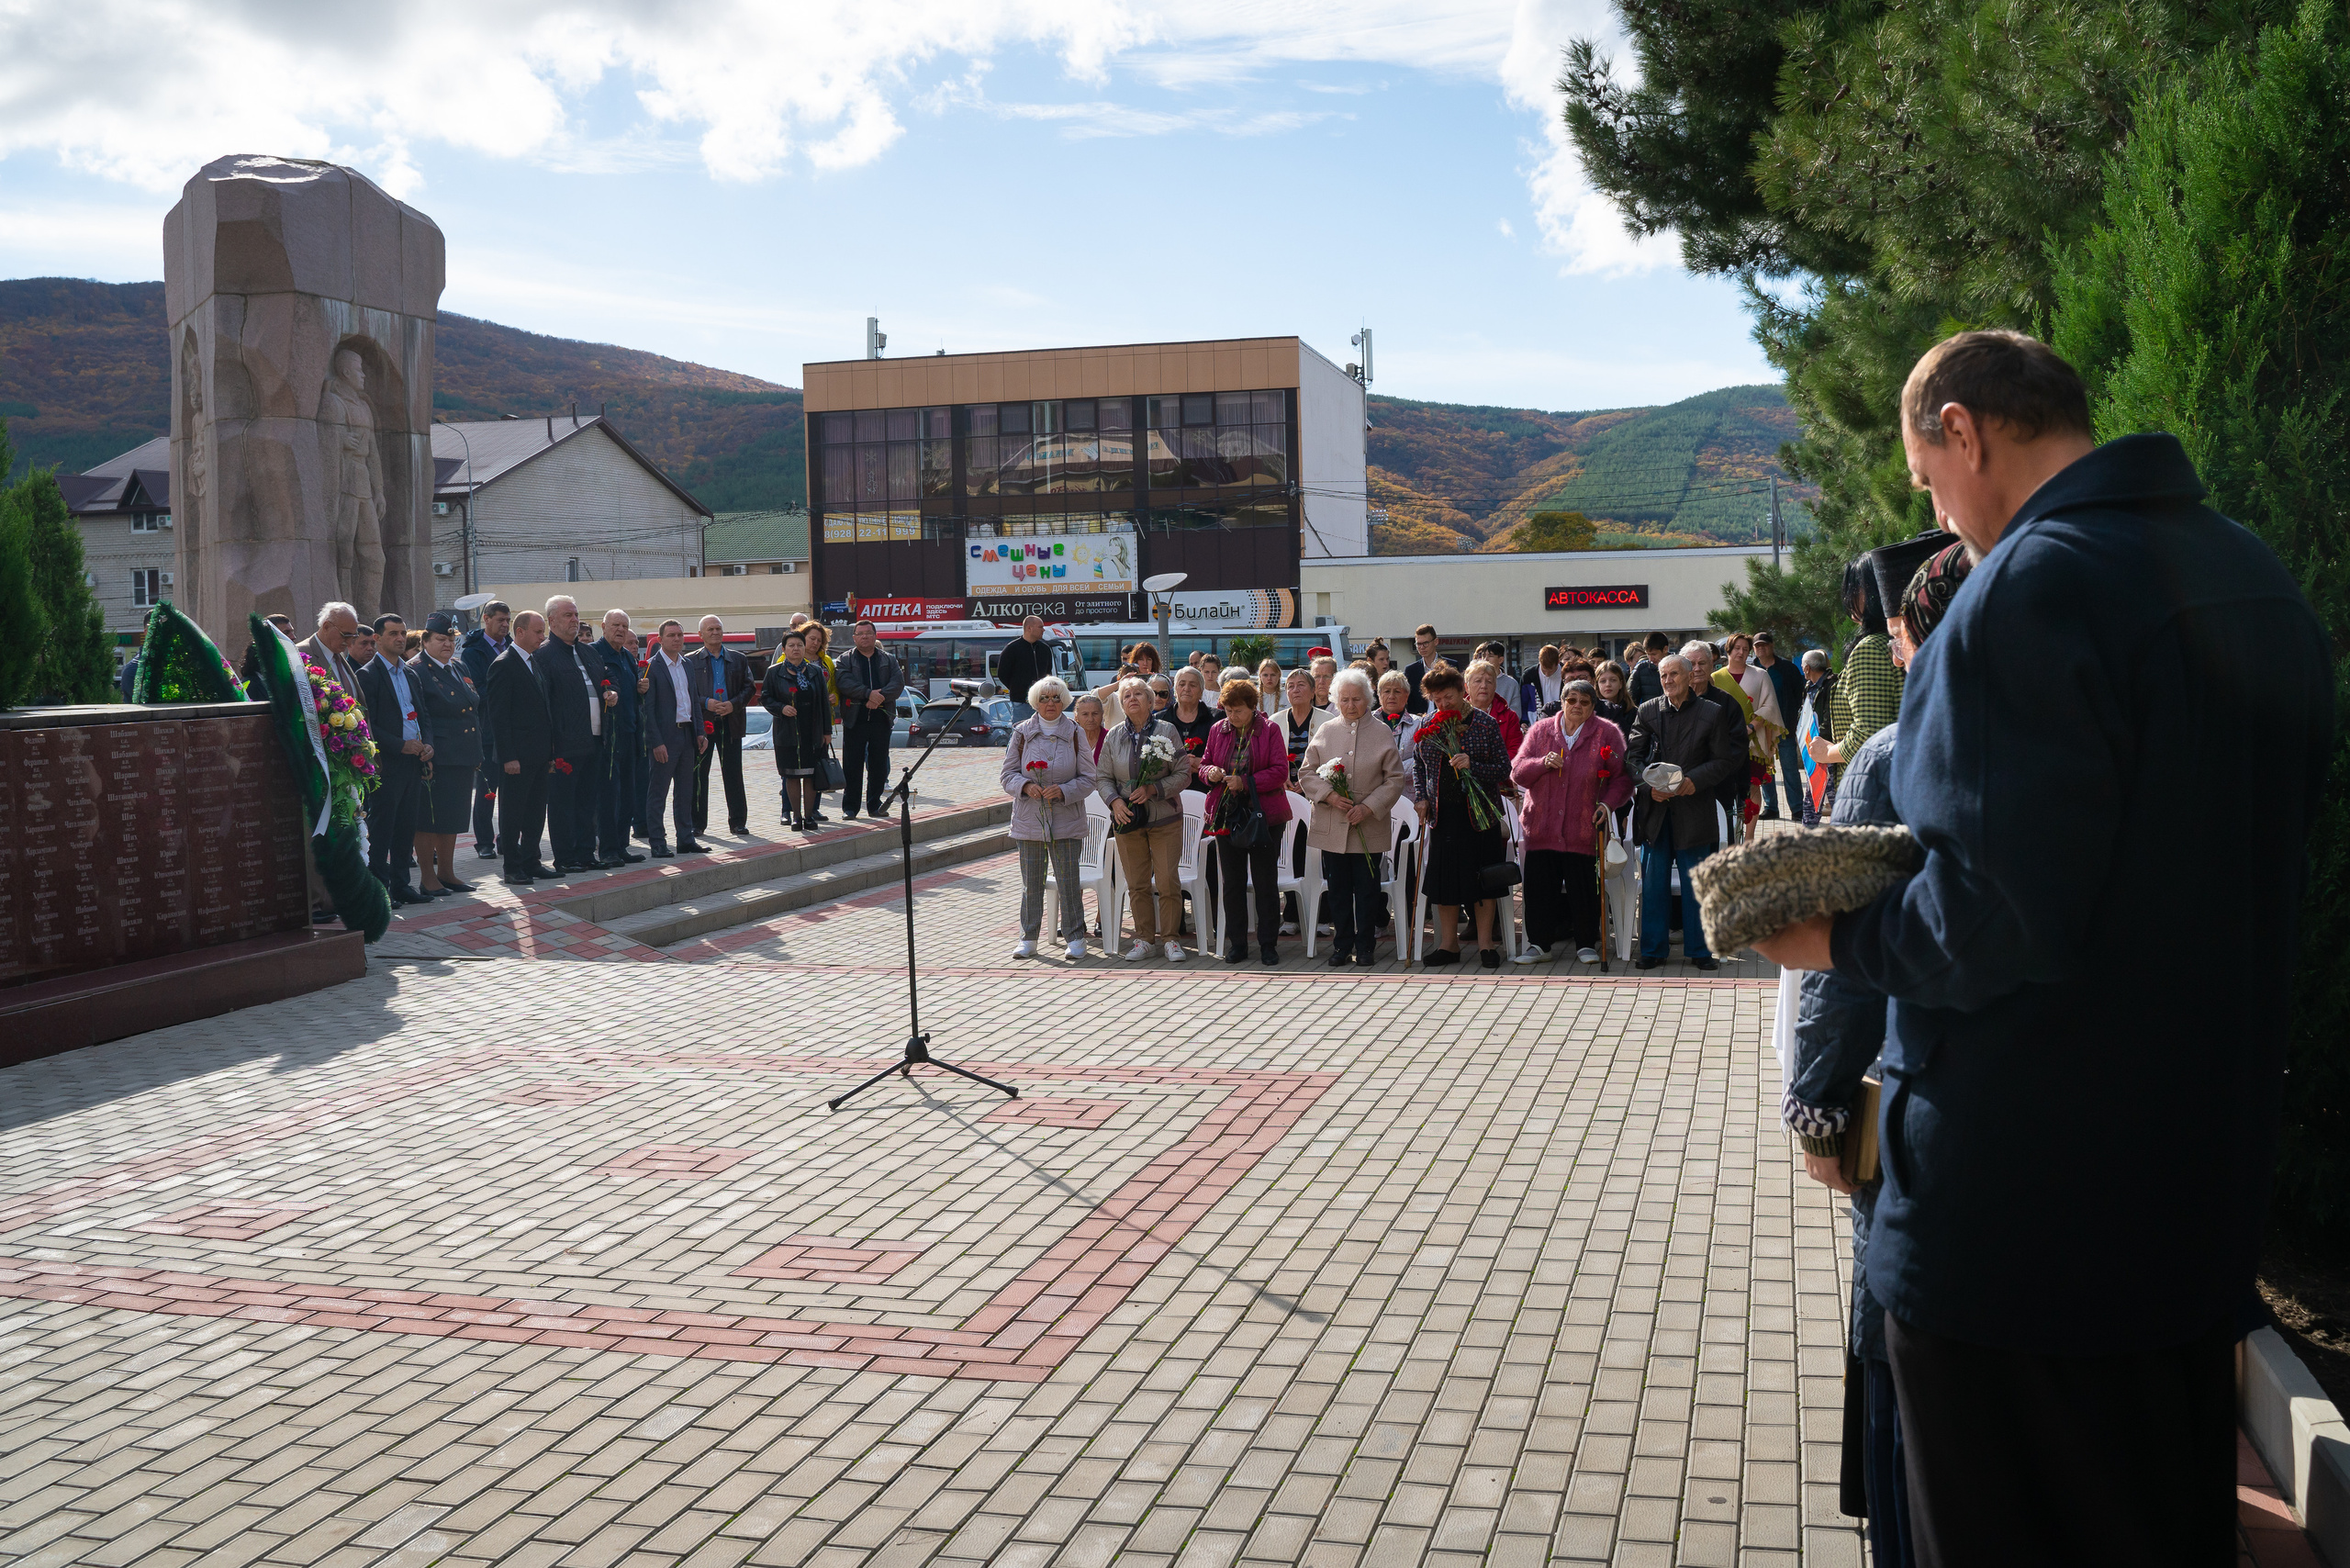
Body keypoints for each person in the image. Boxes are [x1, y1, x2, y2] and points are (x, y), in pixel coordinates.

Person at [1753, 330, 2333, 1565]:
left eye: (1925, 477)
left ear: (1963, 429)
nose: (1937, 510)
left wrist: (1828, 931)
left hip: (2016, 1227)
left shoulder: (2029, 588)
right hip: (2187, 1198)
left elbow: (1994, 918)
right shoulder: (2248, 573)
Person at [1782, 538, 1968, 1568]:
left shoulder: (1894, 755)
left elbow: (1840, 955)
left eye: (1898, 635)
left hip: (1929, 1116)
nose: (1892, 656)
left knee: (1895, 1362)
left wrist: (1812, 1105)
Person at [1624, 653, 1742, 970]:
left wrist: (1694, 781)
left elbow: (1723, 761)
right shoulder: (1647, 711)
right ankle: (1652, 950)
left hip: (1695, 806)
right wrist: (1650, 787)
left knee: (1697, 882)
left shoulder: (1712, 712)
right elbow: (1632, 759)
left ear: (1690, 677)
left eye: (1674, 674)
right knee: (1653, 882)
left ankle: (1701, 951)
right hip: (1657, 810)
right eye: (1663, 676)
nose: (1668, 681)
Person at [1509, 679, 1632, 965]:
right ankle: (1539, 945)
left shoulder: (1607, 733)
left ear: (1592, 707)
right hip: (1542, 825)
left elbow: (1622, 778)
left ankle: (1586, 943)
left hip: (1583, 825)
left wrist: (1607, 804)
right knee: (1540, 887)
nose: (1577, 706)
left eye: (1584, 702)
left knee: (1583, 887)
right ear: (1563, 701)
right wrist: (1541, 763)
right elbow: (1518, 772)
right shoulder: (1541, 731)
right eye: (1572, 700)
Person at [1297, 668, 1408, 967]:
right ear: (1336, 700)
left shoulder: (1382, 731)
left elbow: (1395, 779)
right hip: (1333, 825)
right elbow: (1306, 772)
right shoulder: (1327, 729)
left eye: (1356, 699)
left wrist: (1369, 806)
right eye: (1344, 699)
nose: (1350, 705)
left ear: (1368, 699)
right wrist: (1330, 796)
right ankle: (1341, 946)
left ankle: (1367, 946)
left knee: (1368, 891)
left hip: (1368, 826)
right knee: (1339, 892)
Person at [1410, 666, 1511, 968]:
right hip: (1443, 816)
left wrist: (1473, 765)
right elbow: (1418, 766)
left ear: (1461, 690)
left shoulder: (1485, 724)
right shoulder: (1428, 723)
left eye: (1449, 697)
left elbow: (1503, 770)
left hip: (1479, 816)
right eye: (1437, 699)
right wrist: (1421, 798)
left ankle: (1485, 945)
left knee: (1484, 881)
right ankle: (1448, 945)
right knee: (1445, 884)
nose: (1443, 705)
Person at [1098, 677, 1195, 961]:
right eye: (1126, 695)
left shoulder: (1166, 731)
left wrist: (1154, 789)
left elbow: (1183, 773)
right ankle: (1143, 939)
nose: (1132, 699)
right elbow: (1102, 777)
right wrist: (1115, 802)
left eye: (1139, 694)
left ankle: (1171, 940)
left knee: (1166, 881)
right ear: (1121, 703)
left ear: (1151, 701)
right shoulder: (1113, 735)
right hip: (1127, 819)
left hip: (1164, 819)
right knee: (1137, 882)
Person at [1002, 677, 1096, 959]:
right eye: (1044, 698)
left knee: (1068, 881)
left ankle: (1075, 937)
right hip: (1029, 818)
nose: (1051, 704)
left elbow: (1089, 778)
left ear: (1064, 701)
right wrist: (1026, 786)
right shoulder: (1021, 733)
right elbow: (1007, 776)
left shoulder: (1076, 733)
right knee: (1032, 883)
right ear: (1035, 702)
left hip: (1066, 818)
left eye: (1056, 698)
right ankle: (1028, 937)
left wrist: (1065, 790)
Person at [1199, 678, 1292, 966]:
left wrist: (1246, 781)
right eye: (1228, 710)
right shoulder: (1218, 729)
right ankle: (1237, 944)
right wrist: (1211, 772)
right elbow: (1203, 765)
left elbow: (1279, 771)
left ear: (1253, 707)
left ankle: (1268, 944)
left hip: (1264, 815)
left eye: (1238, 710)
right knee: (1232, 882)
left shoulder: (1270, 730)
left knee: (1266, 882)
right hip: (1227, 814)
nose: (1232, 716)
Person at [356, 612, 434, 905]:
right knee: (382, 828)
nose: (401, 639)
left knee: (406, 826)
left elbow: (423, 715)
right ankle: (379, 888)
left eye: (403, 633)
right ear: (377, 639)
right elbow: (369, 724)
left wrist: (428, 744)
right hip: (387, 763)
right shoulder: (368, 675)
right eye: (393, 634)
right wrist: (400, 745)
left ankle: (402, 885)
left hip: (414, 762)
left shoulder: (411, 672)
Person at [407, 612, 480, 899]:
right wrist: (427, 749)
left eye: (451, 639)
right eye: (441, 639)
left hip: (461, 754)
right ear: (425, 640)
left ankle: (447, 872)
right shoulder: (417, 669)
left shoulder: (457, 666)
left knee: (454, 817)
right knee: (429, 819)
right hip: (436, 757)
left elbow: (473, 708)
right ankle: (428, 877)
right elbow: (419, 715)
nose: (448, 644)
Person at [1810, 558, 1903, 780]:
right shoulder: (1897, 641)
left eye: (1853, 588)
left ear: (1869, 591)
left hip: (1872, 786)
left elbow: (1868, 735)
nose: (1847, 597)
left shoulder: (1870, 648)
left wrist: (1827, 753)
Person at [483, 610, 555, 885]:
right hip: (517, 757)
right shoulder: (504, 664)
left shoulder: (533, 662)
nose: (543, 636)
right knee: (513, 813)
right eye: (538, 632)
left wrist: (549, 751)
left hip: (538, 754)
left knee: (536, 811)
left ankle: (531, 861)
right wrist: (508, 756)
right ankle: (512, 866)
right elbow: (498, 717)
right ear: (520, 632)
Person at [537, 597, 607, 872]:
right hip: (565, 743)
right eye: (568, 615)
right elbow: (543, 704)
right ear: (551, 621)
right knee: (563, 804)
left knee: (588, 801)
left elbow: (606, 677)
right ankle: (565, 857)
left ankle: (587, 853)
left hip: (595, 739)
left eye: (576, 614)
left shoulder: (589, 652)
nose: (574, 620)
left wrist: (611, 690)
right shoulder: (544, 655)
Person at [643, 619, 710, 857]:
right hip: (664, 739)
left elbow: (694, 701)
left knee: (685, 791)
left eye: (680, 635)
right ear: (660, 640)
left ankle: (685, 839)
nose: (677, 639)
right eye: (671, 635)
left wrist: (700, 732)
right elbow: (647, 710)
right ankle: (658, 842)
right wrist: (656, 742)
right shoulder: (652, 667)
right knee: (658, 793)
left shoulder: (687, 665)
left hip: (687, 735)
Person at [685, 615, 754, 836]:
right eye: (710, 629)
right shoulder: (689, 661)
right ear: (700, 635)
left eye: (718, 629)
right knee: (698, 774)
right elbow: (685, 692)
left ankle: (738, 822)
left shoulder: (739, 659)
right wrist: (706, 702)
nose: (715, 632)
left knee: (733, 774)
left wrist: (733, 705)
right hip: (703, 724)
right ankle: (697, 824)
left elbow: (749, 687)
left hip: (730, 722)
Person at [1715, 633, 1785, 839]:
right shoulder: (1715, 678)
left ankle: (1749, 836)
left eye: (1745, 649)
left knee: (1754, 786)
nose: (1741, 652)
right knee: (1726, 787)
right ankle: (1727, 833)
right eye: (1737, 648)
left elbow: (1769, 705)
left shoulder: (1760, 674)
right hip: (1725, 742)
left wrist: (1751, 727)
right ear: (1728, 650)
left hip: (1753, 742)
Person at [589, 610, 646, 867]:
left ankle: (622, 845)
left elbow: (630, 696)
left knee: (628, 796)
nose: (621, 630)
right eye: (616, 625)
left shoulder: (627, 657)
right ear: (603, 626)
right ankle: (608, 849)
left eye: (625, 625)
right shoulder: (593, 653)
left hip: (630, 733)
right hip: (607, 737)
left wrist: (640, 689)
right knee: (608, 796)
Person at [834, 620, 905, 820]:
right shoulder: (844, 660)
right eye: (860, 633)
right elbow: (844, 683)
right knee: (852, 764)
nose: (864, 636)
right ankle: (850, 808)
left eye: (868, 633)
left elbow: (898, 684)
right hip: (855, 718)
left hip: (881, 718)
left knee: (878, 764)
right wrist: (867, 694)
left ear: (875, 636)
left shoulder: (888, 659)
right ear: (854, 637)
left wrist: (878, 698)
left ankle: (875, 805)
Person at [761, 629, 831, 831]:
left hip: (812, 731)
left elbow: (824, 704)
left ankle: (809, 817)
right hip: (787, 732)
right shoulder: (774, 672)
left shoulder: (815, 672)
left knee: (810, 774)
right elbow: (765, 698)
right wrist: (781, 708)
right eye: (791, 645)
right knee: (791, 775)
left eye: (800, 645)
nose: (796, 649)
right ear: (784, 649)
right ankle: (796, 817)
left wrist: (826, 731)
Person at [459, 600, 511, 859]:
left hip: (512, 730)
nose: (504, 625)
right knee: (487, 790)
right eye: (500, 620)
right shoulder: (473, 652)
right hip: (488, 730)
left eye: (508, 620)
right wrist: (509, 688)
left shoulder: (512, 646)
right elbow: (477, 688)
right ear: (487, 619)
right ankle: (484, 842)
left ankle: (507, 838)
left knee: (510, 791)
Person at [1751, 631, 1806, 820]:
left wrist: (1795, 716)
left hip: (1785, 727)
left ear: (1772, 646)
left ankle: (1798, 809)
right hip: (1760, 729)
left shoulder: (1787, 669)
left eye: (1764, 645)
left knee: (1790, 769)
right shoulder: (1751, 670)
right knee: (1766, 770)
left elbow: (1800, 693)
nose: (1761, 648)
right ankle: (1771, 807)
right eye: (1757, 646)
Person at [1797, 648, 1838, 824]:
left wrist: (1818, 738)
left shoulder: (1832, 684)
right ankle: (1809, 834)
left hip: (1827, 747)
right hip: (1813, 747)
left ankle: (1842, 834)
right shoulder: (1809, 686)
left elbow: (1830, 717)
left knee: (1833, 795)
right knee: (1812, 795)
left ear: (1807, 668)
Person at [297, 601, 364, 698]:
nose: (349, 643)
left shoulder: (337, 655)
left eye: (353, 637)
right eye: (345, 635)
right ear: (326, 627)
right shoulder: (300, 655)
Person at [1278, 668, 1332, 785]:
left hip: (1317, 789)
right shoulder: (1275, 721)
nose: (1295, 690)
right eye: (1290, 686)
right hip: (1283, 789)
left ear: (1313, 691)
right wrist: (1280, 780)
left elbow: (1332, 760)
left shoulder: (1328, 720)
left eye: (1301, 685)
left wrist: (1308, 784)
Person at [1463, 659, 1524, 760]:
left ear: (1495, 686)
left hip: (1499, 774)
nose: (1484, 686)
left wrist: (1487, 768)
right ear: (1467, 687)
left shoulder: (1510, 717)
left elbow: (1515, 751)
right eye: (1478, 681)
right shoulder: (1455, 715)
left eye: (1489, 682)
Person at [998, 615, 1054, 715]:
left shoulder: (1045, 649)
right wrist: (1018, 689)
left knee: (1043, 730)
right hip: (1021, 702)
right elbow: (1002, 674)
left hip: (1042, 701)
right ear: (1029, 628)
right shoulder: (1012, 649)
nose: (1044, 630)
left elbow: (1048, 673)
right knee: (1021, 729)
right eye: (1040, 627)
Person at [1593, 659, 1637, 739]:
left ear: (1621, 684)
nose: (1608, 684)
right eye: (1603, 681)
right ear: (1597, 685)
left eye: (1613, 680)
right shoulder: (1591, 712)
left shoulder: (1633, 713)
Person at [1521, 644, 1566, 720]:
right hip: (1536, 721)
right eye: (1544, 670)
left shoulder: (1567, 673)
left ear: (1558, 662)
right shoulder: (1528, 675)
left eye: (1551, 670)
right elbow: (1523, 702)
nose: (1547, 674)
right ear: (1539, 660)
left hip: (1561, 720)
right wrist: (1524, 721)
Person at [1403, 622, 1439, 713]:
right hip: (1419, 723)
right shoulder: (1410, 671)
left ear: (1436, 642)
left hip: (1445, 721)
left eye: (1425, 643)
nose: (1422, 647)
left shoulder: (1450, 665)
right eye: (1418, 644)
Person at [1473, 641, 1519, 711]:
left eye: (1490, 656)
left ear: (1500, 660)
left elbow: (1516, 712)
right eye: (1483, 655)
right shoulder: (1474, 681)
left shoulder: (1511, 684)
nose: (1486, 659)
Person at [1627, 632, 1670, 704]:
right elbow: (1631, 699)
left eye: (1654, 654)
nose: (1650, 659)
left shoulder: (1679, 667)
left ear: (1665, 649)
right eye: (1648, 654)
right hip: (1648, 714)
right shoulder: (1641, 669)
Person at [1071, 691, 1108, 764]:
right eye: (1085, 714)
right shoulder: (1070, 739)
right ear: (1076, 716)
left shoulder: (1110, 738)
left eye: (1095, 714)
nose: (1091, 719)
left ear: (1102, 714)